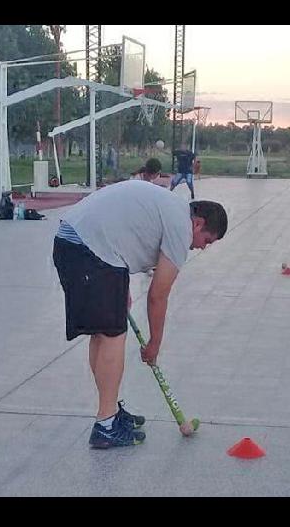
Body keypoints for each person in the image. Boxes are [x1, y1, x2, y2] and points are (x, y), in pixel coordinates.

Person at [53, 180, 228, 448]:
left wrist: (118, 284)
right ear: (198, 223)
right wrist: (155, 343)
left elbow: (126, 229)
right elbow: (158, 295)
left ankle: (109, 411)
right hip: (89, 248)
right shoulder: (180, 228)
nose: (203, 247)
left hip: (79, 243)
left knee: (102, 334)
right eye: (207, 240)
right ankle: (106, 425)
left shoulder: (171, 209)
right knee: (112, 336)